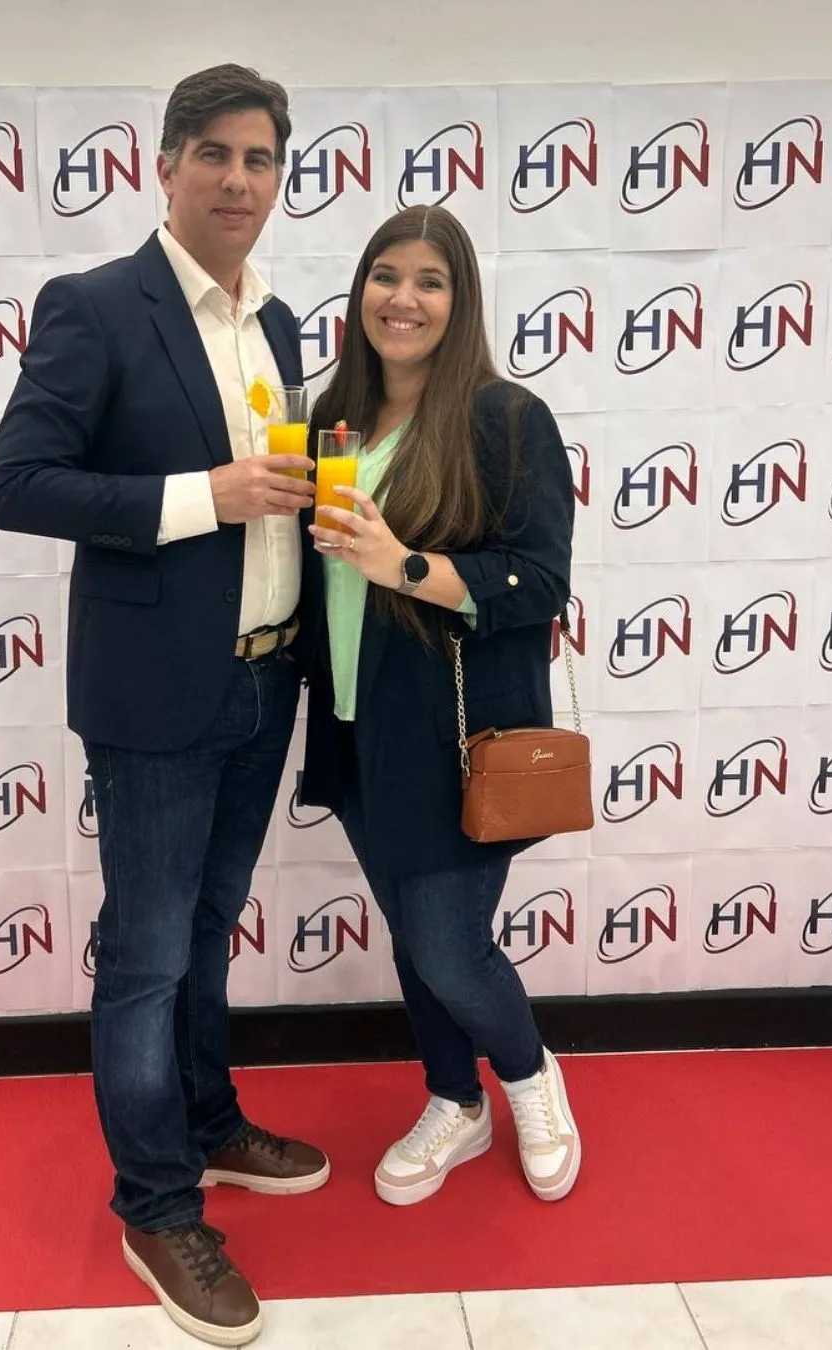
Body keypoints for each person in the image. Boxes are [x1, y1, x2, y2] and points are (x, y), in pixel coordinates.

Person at [0, 64, 329, 1349]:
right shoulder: (95, 305)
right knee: (144, 957)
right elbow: (20, 483)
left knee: (208, 928)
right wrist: (204, 497)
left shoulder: (277, 322)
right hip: (152, 694)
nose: (240, 179)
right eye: (216, 155)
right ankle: (155, 1205)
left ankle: (207, 1123)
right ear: (166, 166)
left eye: (261, 158)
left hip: (266, 676)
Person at [298, 204, 580, 1210]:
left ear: (461, 302)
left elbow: (540, 581)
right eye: (386, 275)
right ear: (360, 292)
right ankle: (454, 1100)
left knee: (452, 949)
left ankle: (531, 1080)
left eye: (430, 280)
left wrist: (406, 565)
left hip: (455, 738)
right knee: (414, 937)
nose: (403, 299)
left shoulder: (505, 418)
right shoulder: (331, 418)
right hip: (353, 725)